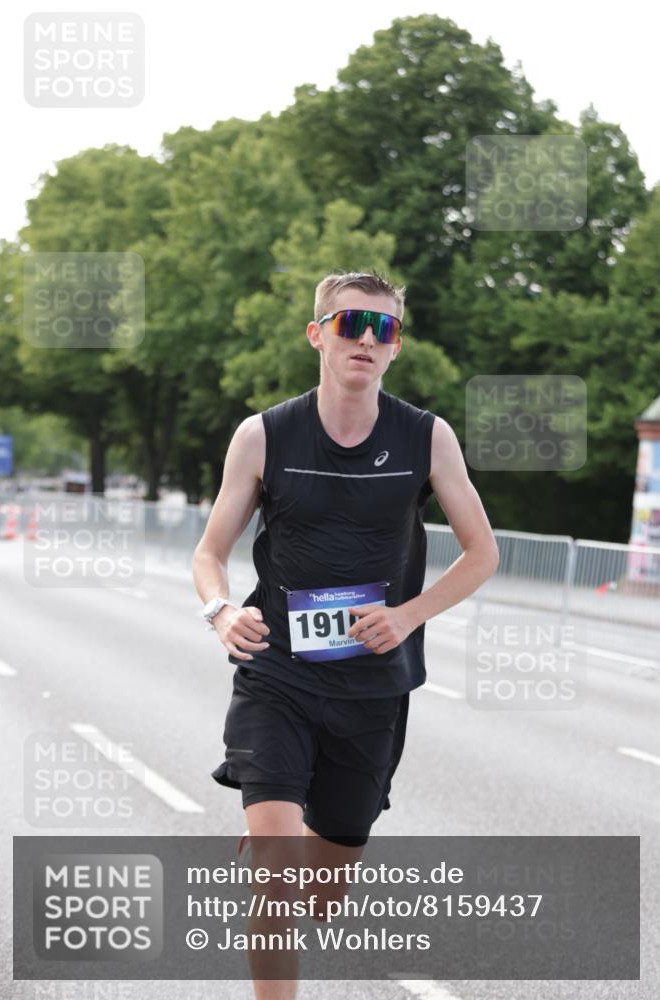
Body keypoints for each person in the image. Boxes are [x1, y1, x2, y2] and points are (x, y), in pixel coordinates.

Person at [192, 271, 499, 999]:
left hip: (371, 689)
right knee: (277, 879)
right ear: (317, 335)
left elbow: (482, 552)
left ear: (395, 347)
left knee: (321, 898)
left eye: (382, 328)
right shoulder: (263, 434)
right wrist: (221, 612)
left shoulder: (426, 437)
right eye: (350, 323)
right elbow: (209, 555)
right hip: (278, 678)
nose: (366, 337)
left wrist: (407, 615)